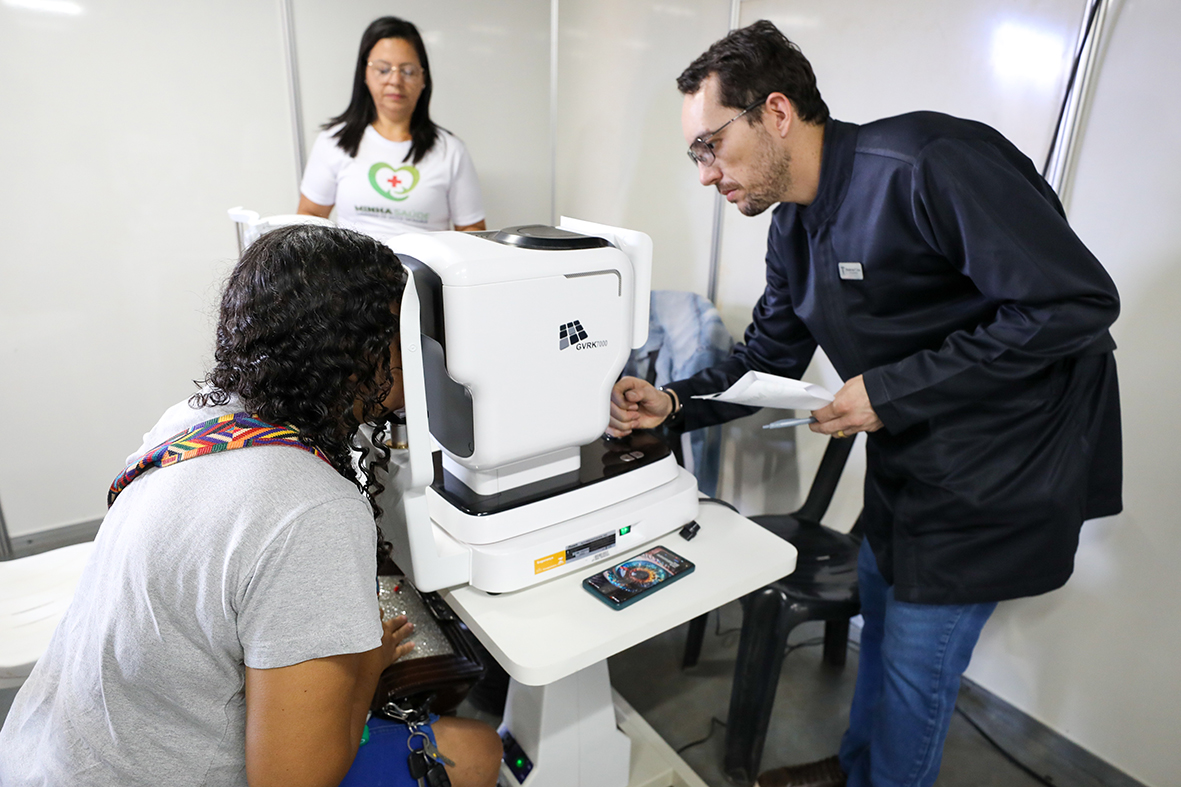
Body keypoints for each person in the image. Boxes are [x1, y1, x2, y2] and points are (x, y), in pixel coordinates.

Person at [609, 21, 1122, 787]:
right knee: (878, 623)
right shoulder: (790, 227)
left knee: (917, 669)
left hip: (1000, 464)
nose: (706, 175)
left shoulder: (925, 165)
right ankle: (857, 770)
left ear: (775, 112)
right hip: (913, 458)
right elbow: (766, 358)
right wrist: (674, 400)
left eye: (710, 145)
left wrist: (889, 388)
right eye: (695, 155)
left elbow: (1074, 303)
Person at [0, 225, 501, 787]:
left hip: (36, 756)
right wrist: (364, 667)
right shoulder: (312, 507)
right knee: (478, 749)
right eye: (405, 339)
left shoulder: (190, 423)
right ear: (359, 358)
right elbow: (292, 780)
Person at [298, 16, 486, 237]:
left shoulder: (451, 150)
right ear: (365, 75)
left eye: (407, 71)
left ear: (423, 78)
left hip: (426, 271)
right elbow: (308, 216)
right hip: (354, 270)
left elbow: (473, 230)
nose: (395, 81)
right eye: (383, 69)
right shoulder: (334, 141)